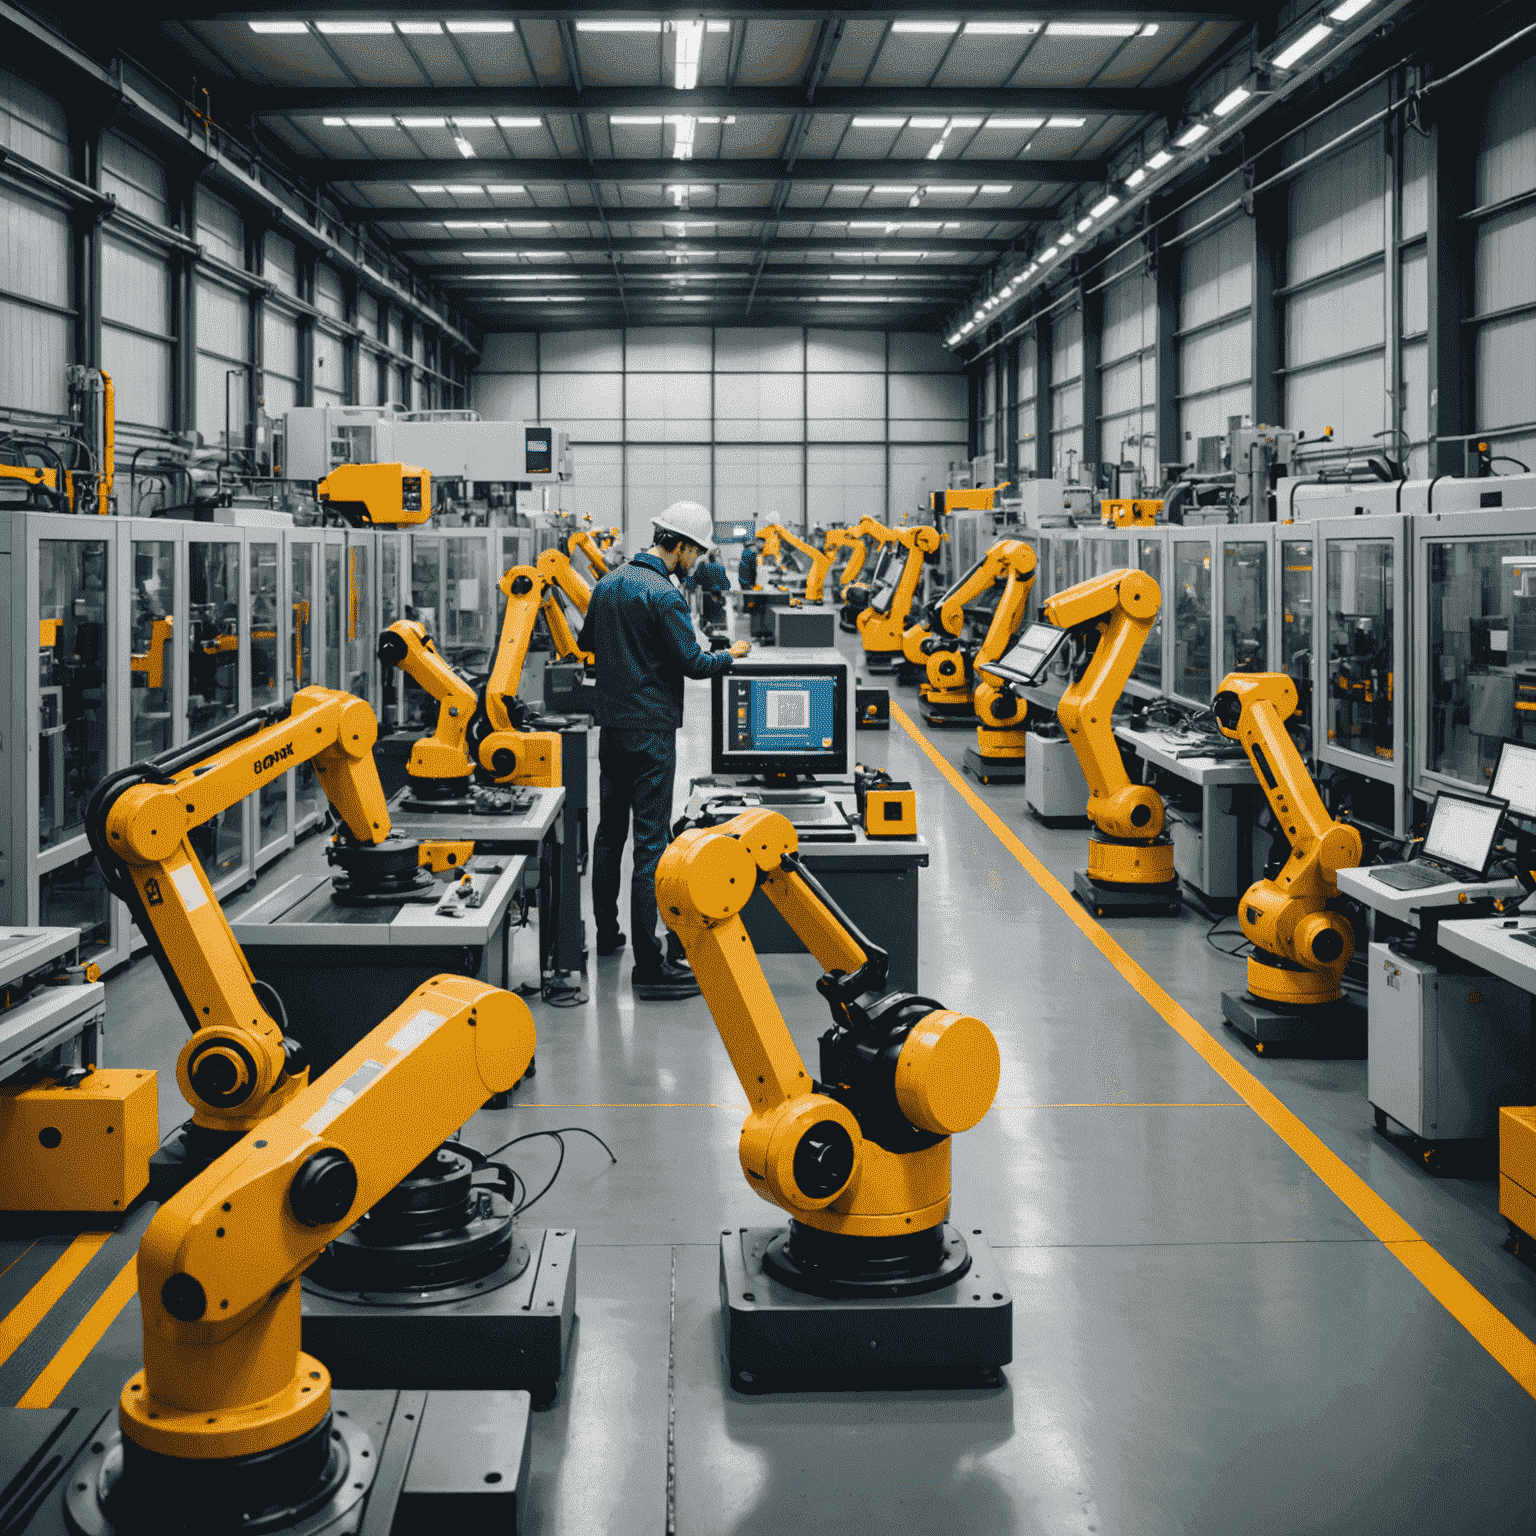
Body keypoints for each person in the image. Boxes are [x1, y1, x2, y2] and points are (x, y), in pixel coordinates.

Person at [577, 501, 750, 1000]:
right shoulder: (664, 594)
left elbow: (588, 641)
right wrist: (730, 656)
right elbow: (694, 663)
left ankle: (607, 936)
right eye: (694, 552)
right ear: (680, 545)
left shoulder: (608, 584)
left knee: (610, 835)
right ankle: (649, 965)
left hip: (611, 731)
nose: (695, 562)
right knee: (651, 845)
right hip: (652, 733)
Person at [696, 547, 730, 631]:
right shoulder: (720, 567)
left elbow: (698, 581)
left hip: (707, 596)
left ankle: (708, 628)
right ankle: (718, 628)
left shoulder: (703, 567)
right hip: (716, 596)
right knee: (718, 616)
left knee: (708, 615)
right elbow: (725, 584)